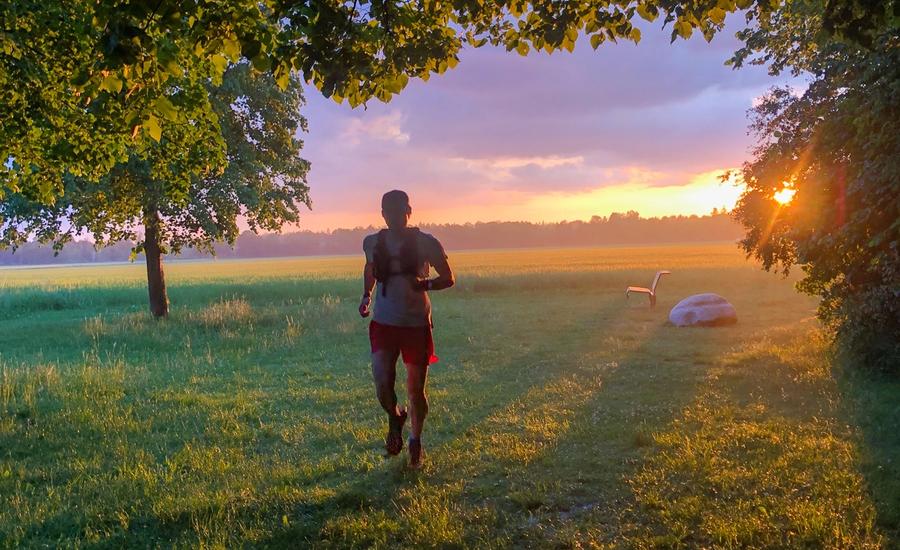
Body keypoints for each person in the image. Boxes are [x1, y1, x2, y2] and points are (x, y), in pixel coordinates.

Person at [359, 190, 455, 468]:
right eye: (388, 213)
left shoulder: (427, 243)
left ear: (409, 211)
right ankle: (394, 416)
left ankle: (415, 439)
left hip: (416, 323)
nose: (393, 218)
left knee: (416, 390)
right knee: (382, 384)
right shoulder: (372, 242)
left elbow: (449, 278)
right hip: (384, 322)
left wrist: (425, 284)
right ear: (382, 214)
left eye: (399, 212)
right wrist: (366, 295)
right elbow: (370, 269)